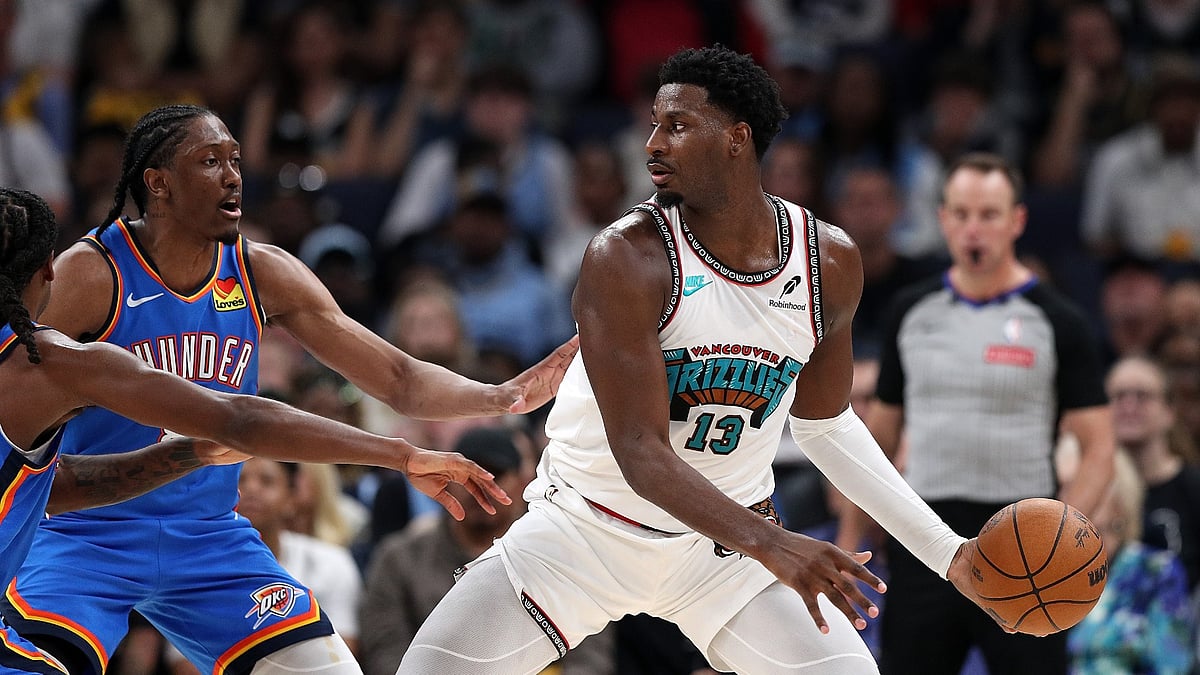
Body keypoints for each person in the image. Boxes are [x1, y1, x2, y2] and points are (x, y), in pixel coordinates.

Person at [397, 45, 994, 675]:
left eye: (677, 125)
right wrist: (776, 544)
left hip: (722, 556)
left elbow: (826, 426)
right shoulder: (625, 258)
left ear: (738, 138)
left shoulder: (830, 262)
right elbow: (640, 452)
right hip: (582, 534)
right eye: (654, 124)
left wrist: (950, 555)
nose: (653, 143)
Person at [1, 104, 577, 675]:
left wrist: (500, 396)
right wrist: (401, 455)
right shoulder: (89, 273)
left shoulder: (260, 271)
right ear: (159, 184)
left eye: (234, 160)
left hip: (210, 539)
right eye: (208, 162)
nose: (232, 176)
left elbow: (399, 378)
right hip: (87, 535)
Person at [838, 152, 1116, 674]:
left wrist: (1064, 536)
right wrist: (854, 540)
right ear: (942, 220)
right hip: (925, 536)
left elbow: (1099, 445)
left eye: (989, 214)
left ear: (1017, 221)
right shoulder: (910, 312)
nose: (974, 229)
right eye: (961, 214)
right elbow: (878, 437)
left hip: (1025, 538)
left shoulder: (1059, 320)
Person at [361, 425, 616, 675]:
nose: (479, 487)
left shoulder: (562, 558)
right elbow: (385, 651)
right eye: (466, 477)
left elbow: (591, 656)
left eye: (495, 475)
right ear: (447, 483)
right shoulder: (400, 559)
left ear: (522, 483)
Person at [1066, 450, 1195, 674]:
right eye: (1060, 485)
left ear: (1117, 497)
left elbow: (1172, 666)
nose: (1063, 498)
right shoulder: (1044, 578)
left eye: (1075, 484)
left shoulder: (1156, 572)